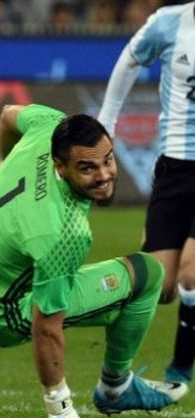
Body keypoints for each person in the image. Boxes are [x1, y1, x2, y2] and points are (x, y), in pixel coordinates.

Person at [0, 103, 187, 418]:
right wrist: (59, 409)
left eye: (108, 160)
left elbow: (7, 115)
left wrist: (6, 164)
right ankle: (116, 387)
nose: (104, 175)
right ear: (60, 167)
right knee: (147, 274)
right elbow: (46, 326)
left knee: (46, 284)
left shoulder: (49, 124)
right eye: (87, 168)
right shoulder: (63, 233)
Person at [98, 2, 195, 386]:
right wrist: (107, 119)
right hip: (174, 168)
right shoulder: (169, 23)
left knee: (191, 275)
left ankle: (179, 371)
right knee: (160, 287)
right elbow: (130, 59)